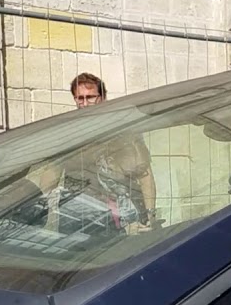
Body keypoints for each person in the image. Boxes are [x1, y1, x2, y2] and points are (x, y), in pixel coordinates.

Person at [37, 73, 159, 233]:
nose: (85, 103)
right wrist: (40, 208)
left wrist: (150, 214)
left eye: (91, 97)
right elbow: (51, 173)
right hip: (76, 214)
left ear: (103, 97)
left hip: (119, 215)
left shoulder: (123, 130)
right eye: (80, 98)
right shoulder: (67, 134)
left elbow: (145, 175)